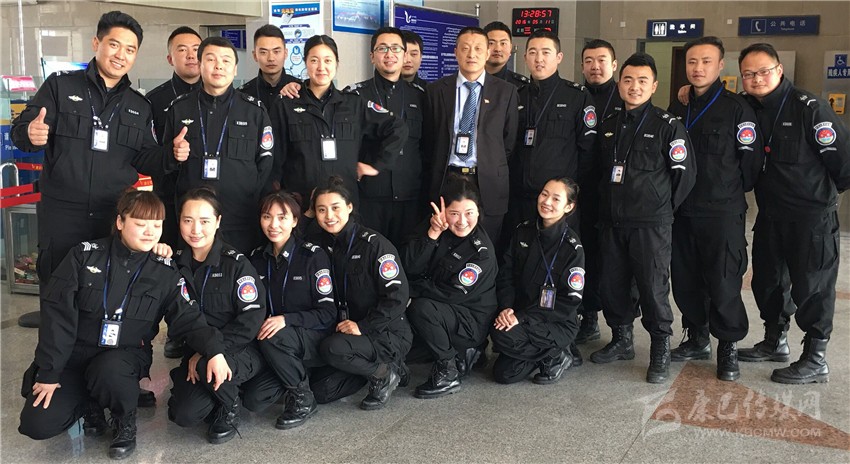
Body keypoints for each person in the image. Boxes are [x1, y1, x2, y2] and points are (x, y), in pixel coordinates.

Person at [18, 189, 227, 460]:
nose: (150, 232)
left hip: (124, 357)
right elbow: (57, 319)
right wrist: (49, 372)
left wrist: (214, 350)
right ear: (120, 222)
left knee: (110, 370)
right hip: (74, 357)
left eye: (156, 226)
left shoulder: (164, 271)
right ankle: (90, 404)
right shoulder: (83, 257)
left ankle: (124, 420)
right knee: (37, 424)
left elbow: (189, 318)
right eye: (140, 224)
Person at [10, 11, 165, 329]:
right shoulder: (60, 86)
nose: (121, 55)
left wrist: (173, 155)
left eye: (130, 49)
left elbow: (146, 159)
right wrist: (29, 133)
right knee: (57, 294)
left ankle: (99, 357)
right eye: (114, 44)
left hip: (111, 218)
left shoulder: (139, 106)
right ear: (97, 43)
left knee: (105, 295)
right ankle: (54, 358)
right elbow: (21, 130)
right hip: (63, 217)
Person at [735, 43, 849, 384]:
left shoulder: (809, 108)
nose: (757, 79)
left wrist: (820, 198)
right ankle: (775, 341)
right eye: (748, 74)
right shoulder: (746, 107)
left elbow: (843, 162)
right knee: (767, 282)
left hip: (811, 218)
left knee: (813, 287)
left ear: (779, 70)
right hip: (771, 214)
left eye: (763, 71)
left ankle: (815, 359)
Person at [589, 53, 696, 384]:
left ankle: (660, 348)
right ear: (619, 84)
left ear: (654, 86)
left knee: (652, 287)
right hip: (612, 222)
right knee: (613, 283)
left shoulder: (667, 126)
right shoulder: (608, 125)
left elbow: (684, 176)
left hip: (650, 224)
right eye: (628, 80)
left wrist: (660, 207)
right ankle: (621, 339)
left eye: (642, 81)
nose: (634, 87)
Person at [666, 36, 764, 381]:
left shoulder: (737, 108)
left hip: (722, 212)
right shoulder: (678, 105)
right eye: (692, 61)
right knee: (685, 279)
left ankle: (728, 347)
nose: (698, 68)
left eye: (706, 61)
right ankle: (697, 337)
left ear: (721, 65)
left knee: (724, 282)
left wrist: (726, 189)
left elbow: (750, 165)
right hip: (682, 210)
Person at [167, 187, 266, 444]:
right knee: (183, 414)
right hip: (198, 351)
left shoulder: (236, 264)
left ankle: (230, 406)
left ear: (218, 221)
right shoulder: (174, 264)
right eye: (188, 220)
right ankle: (219, 388)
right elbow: (177, 318)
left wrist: (211, 350)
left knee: (204, 366)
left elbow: (251, 320)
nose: (195, 229)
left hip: (240, 350)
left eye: (204, 221)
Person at [269, 34, 408, 210]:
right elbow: (275, 160)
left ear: (337, 64)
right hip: (301, 205)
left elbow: (397, 127)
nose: (321, 67)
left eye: (328, 60)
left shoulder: (353, 103)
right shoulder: (286, 104)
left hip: (344, 206)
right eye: (314, 60)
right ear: (305, 63)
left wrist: (377, 165)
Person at [162, 36, 273, 254]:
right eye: (211, 59)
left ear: (235, 69)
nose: (218, 66)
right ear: (200, 64)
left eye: (226, 61)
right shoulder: (180, 109)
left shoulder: (254, 111)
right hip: (192, 225)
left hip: (240, 221)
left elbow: (265, 165)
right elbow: (168, 169)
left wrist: (247, 195)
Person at [309, 176, 412, 410]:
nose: (329, 216)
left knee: (332, 348)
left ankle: (384, 374)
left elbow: (397, 297)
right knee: (321, 391)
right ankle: (381, 368)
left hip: (384, 332)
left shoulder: (374, 245)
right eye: (321, 210)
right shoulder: (318, 245)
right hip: (346, 335)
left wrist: (363, 326)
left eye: (335, 208)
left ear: (349, 207)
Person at [247, 191, 336, 429]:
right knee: (253, 400)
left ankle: (303, 398)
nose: (273, 224)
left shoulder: (312, 256)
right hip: (274, 343)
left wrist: (286, 319)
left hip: (311, 336)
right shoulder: (256, 259)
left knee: (274, 335)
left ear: (295, 221)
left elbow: (328, 313)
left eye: (282, 217)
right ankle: (295, 373)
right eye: (267, 217)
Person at [403, 175, 497, 398]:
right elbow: (409, 267)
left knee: (420, 308)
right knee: (404, 351)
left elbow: (450, 294)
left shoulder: (481, 252)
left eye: (469, 213)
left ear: (479, 213)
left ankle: (448, 372)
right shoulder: (435, 225)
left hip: (469, 320)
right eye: (454, 213)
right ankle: (461, 353)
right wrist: (432, 235)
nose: (462, 221)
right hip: (444, 311)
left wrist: (410, 292)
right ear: (443, 210)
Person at [423, 26, 519, 245]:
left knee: (487, 245)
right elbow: (429, 139)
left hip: (488, 180)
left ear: (487, 53)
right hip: (447, 177)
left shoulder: (506, 92)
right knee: (445, 244)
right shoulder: (436, 90)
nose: (471, 54)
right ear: (455, 52)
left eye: (478, 49)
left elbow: (508, 141)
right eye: (465, 48)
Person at [491, 177, 584, 385]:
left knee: (502, 336)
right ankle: (549, 355)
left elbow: (568, 302)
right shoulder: (522, 231)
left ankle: (558, 353)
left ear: (568, 207)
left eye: (556, 199)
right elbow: (506, 275)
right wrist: (506, 308)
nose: (547, 202)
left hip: (555, 321)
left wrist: (522, 318)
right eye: (544, 194)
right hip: (518, 313)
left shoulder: (572, 248)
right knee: (504, 374)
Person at [145, 26, 203, 359]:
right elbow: (147, 153)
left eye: (196, 48)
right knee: (171, 265)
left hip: (208, 201)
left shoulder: (220, 94)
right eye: (183, 49)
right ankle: (178, 331)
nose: (191, 55)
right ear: (170, 58)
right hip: (170, 198)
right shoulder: (154, 101)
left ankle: (207, 326)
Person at [506, 30, 596, 235]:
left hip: (557, 204)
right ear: (525, 57)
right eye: (533, 52)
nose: (539, 59)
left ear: (559, 57)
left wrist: (568, 191)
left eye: (546, 52)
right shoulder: (516, 96)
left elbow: (587, 152)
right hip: (519, 200)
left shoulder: (576, 96)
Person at [344, 27, 426, 247]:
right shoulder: (355, 96)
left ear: (404, 55)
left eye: (396, 48)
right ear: (372, 56)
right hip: (369, 196)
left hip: (410, 197)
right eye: (382, 49)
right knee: (368, 254)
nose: (389, 54)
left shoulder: (420, 96)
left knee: (408, 257)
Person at [576, 39, 625, 345]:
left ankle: (621, 331)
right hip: (581, 193)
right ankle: (588, 316)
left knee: (615, 262)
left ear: (614, 64)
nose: (595, 67)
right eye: (589, 61)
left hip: (616, 195)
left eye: (602, 60)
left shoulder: (626, 95)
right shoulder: (574, 96)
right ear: (582, 65)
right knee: (585, 256)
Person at [239, 24, 301, 111]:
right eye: (263, 52)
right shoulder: (242, 95)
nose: (271, 58)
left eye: (276, 51)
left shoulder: (300, 90)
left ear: (285, 53)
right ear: (255, 56)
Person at [483, 21, 530, 88]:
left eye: (503, 43)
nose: (497, 49)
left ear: (510, 48)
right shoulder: (471, 80)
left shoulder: (522, 86)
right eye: (491, 43)